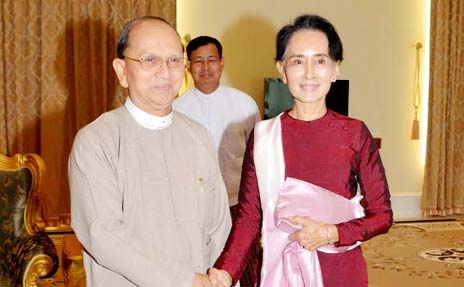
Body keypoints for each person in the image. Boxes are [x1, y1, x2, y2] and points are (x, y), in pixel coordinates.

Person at [209, 14, 393, 287]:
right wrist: (225, 271)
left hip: (340, 270)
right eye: (297, 61)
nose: (309, 72)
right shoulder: (263, 136)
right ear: (282, 70)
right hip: (281, 268)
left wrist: (331, 233)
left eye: (320, 60)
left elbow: (382, 215)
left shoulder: (354, 133)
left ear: (335, 69)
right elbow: (249, 218)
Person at [68, 16, 231, 287]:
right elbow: (103, 234)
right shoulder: (96, 141)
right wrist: (185, 280)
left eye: (174, 60)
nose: (164, 72)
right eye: (150, 60)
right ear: (121, 71)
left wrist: (222, 276)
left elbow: (219, 227)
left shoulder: (198, 136)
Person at [173, 36, 260, 208]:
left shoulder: (245, 104)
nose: (205, 67)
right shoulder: (176, 109)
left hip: (237, 202)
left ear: (221, 63)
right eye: (198, 61)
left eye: (211, 60)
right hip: (192, 202)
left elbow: (258, 154)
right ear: (188, 66)